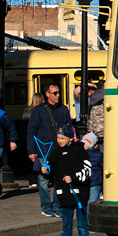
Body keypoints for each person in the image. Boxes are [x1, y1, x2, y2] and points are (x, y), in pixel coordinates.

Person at [27, 82, 74, 219]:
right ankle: (46, 206)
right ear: (47, 94)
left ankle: (56, 206)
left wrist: (69, 140)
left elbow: (69, 128)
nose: (58, 95)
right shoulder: (39, 110)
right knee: (43, 179)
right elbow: (31, 131)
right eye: (55, 93)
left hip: (59, 149)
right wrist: (31, 151)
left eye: (59, 92)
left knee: (59, 178)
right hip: (43, 150)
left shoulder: (63, 109)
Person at [49, 130, 94, 236]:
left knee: (82, 226)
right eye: (58, 137)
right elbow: (51, 167)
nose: (59, 140)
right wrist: (46, 169)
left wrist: (73, 178)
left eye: (62, 138)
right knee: (66, 226)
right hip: (64, 194)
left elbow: (88, 171)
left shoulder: (80, 150)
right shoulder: (56, 152)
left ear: (70, 138)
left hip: (79, 194)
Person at [84, 80, 105, 206]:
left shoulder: (92, 101)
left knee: (96, 166)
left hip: (95, 141)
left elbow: (89, 124)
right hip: (108, 141)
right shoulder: (111, 100)